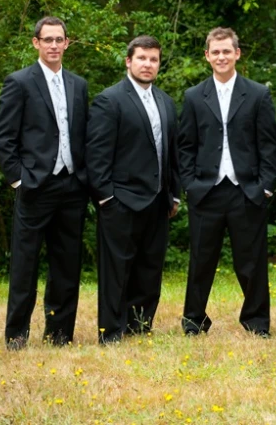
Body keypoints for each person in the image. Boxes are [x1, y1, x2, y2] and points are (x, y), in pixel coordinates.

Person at [0, 16, 89, 350]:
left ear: (67, 43)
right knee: (25, 265)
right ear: (36, 43)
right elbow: (4, 138)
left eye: (58, 39)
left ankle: (60, 334)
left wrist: (84, 178)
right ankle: (17, 336)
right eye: (46, 39)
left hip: (72, 187)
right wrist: (18, 180)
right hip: (35, 187)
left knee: (67, 265)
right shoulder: (19, 82)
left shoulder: (79, 84)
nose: (53, 45)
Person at [178, 27, 276, 337]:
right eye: (215, 52)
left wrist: (265, 186)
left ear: (237, 53)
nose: (221, 56)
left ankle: (256, 322)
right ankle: (194, 321)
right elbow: (185, 146)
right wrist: (190, 185)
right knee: (200, 261)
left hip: (246, 191)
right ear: (207, 56)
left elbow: (268, 144)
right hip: (206, 192)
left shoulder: (258, 94)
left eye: (227, 51)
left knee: (252, 262)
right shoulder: (194, 96)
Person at [86, 36, 181, 344]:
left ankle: (140, 325)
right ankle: (111, 332)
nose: (148, 64)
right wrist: (106, 198)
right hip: (121, 201)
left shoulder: (165, 101)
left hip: (158, 201)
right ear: (128, 61)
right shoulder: (109, 100)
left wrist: (174, 194)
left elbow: (173, 153)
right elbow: (97, 155)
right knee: (116, 270)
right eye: (141, 58)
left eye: (153, 59)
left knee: (150, 267)